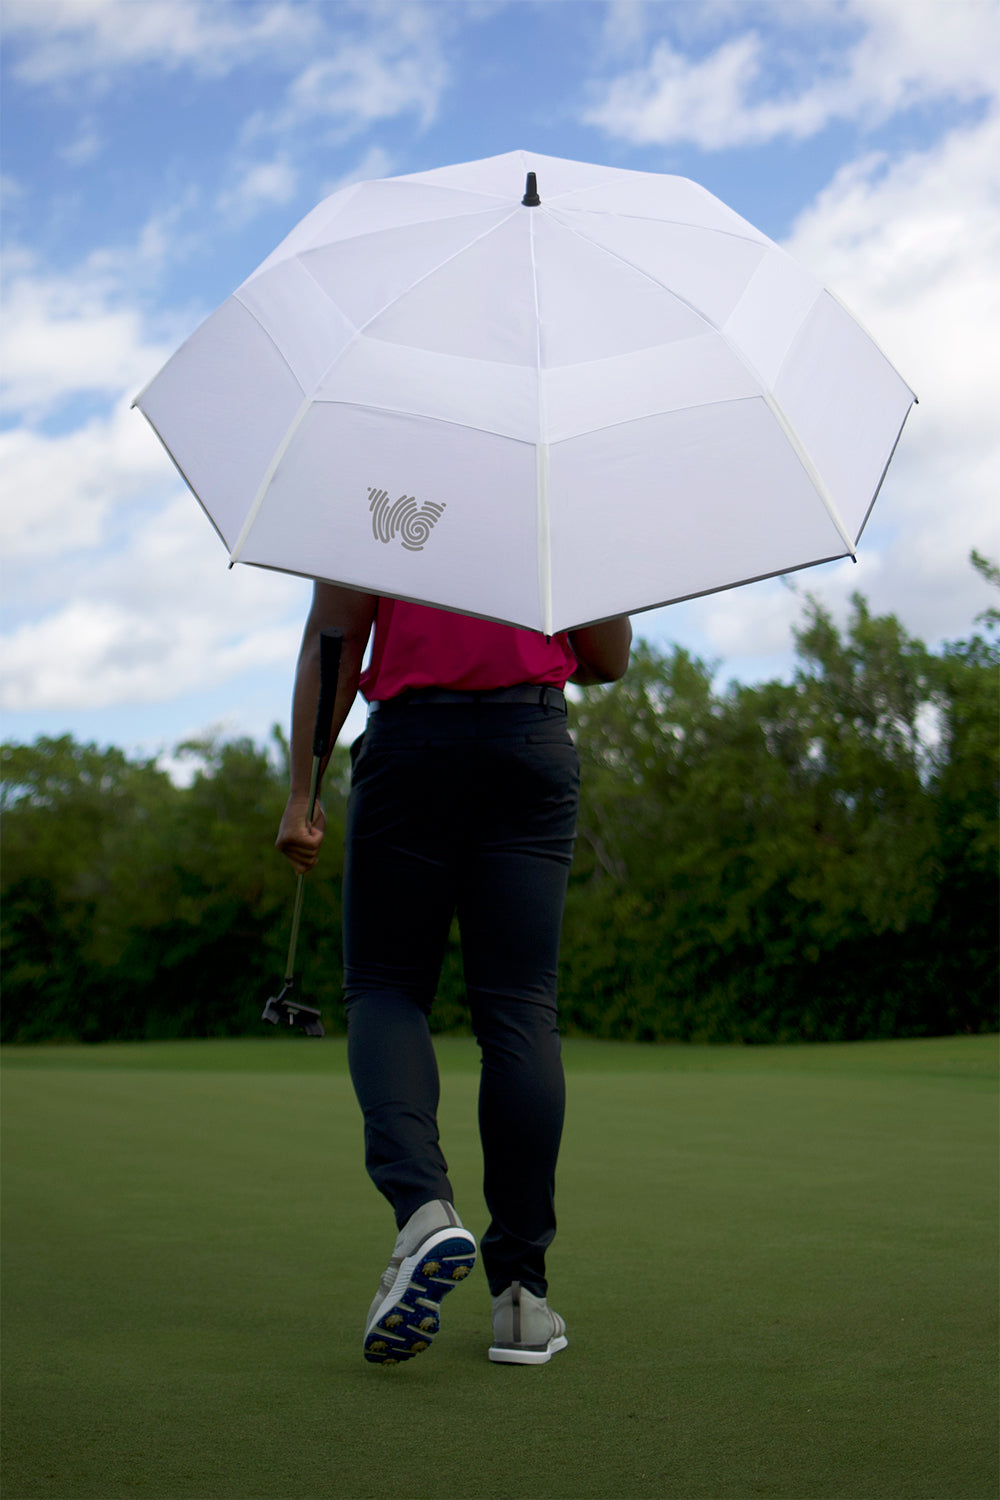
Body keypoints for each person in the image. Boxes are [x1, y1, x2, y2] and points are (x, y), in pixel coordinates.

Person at [276, 584, 631, 1365]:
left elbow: (332, 644)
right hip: (528, 738)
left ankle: (424, 1214)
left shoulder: (374, 475)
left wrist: (303, 791)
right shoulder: (556, 483)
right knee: (519, 1010)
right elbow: (608, 657)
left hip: (412, 747)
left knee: (387, 986)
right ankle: (520, 1301)